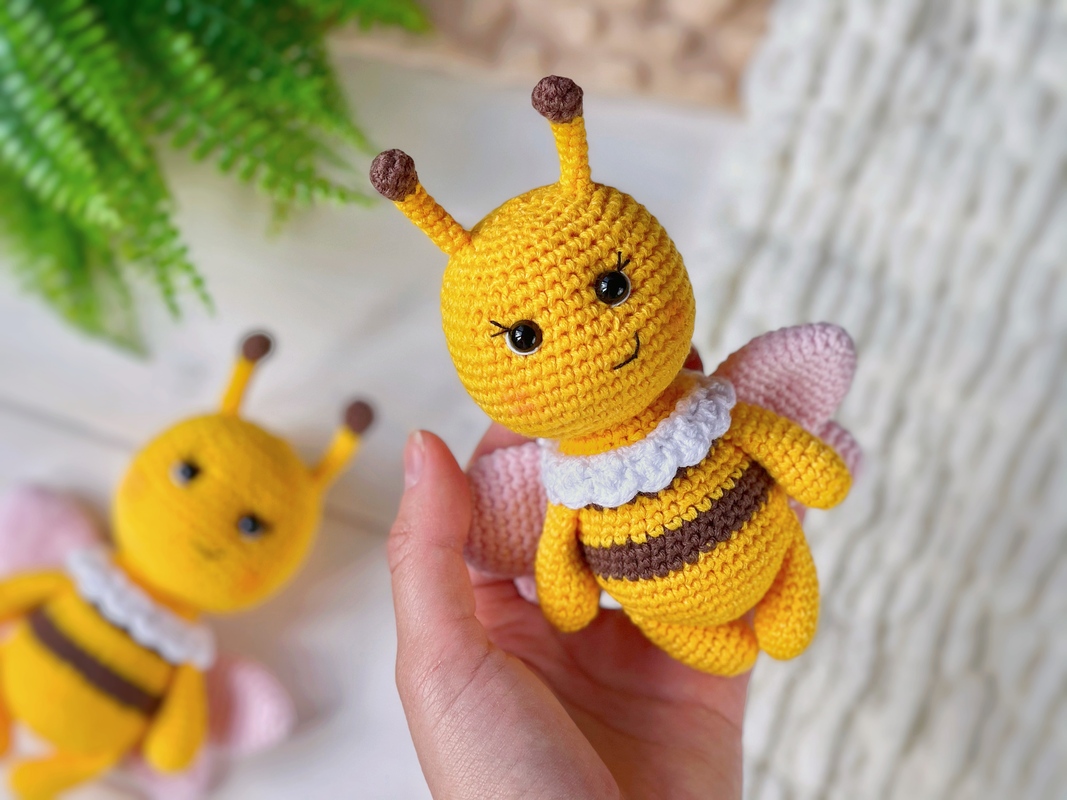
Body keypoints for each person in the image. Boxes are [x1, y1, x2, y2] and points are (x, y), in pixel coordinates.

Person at [388, 429, 748, 799]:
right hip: (656, 603)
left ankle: (774, 602)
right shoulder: (569, 482)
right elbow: (559, 544)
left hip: (736, 551)